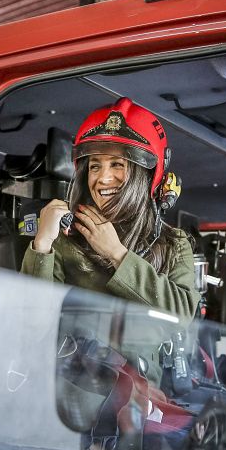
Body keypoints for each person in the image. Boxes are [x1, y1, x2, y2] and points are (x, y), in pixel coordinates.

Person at [21, 97, 198, 321]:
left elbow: (180, 317)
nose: (103, 178)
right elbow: (31, 324)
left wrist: (117, 253)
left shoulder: (173, 243)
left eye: (117, 164)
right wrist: (42, 245)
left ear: (146, 176)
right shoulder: (65, 237)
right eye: (95, 166)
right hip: (73, 356)